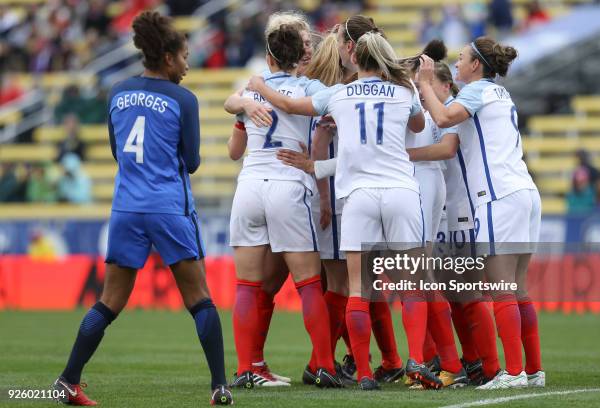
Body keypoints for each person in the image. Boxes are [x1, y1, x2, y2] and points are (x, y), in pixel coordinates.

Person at [52, 11, 233, 406]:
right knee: (200, 298)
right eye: (184, 56)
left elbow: (119, 152)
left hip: (126, 208)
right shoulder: (183, 98)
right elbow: (193, 160)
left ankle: (68, 379)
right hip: (167, 207)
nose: (187, 65)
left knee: (109, 301)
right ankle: (220, 386)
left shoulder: (117, 91)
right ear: (168, 57)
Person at [248, 30, 445, 391]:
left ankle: (366, 375)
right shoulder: (403, 92)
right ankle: (415, 359)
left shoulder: (338, 94)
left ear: (354, 58)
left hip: (358, 197)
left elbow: (290, 106)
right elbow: (417, 126)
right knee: (411, 286)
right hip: (401, 191)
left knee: (357, 289)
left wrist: (259, 85)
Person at [417, 36, 544, 389]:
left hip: (498, 196)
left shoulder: (476, 91)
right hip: (524, 191)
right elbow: (452, 123)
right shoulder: (498, 93)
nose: (456, 66)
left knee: (501, 289)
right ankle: (533, 370)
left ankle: (514, 372)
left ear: (476, 65)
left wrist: (425, 83)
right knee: (518, 289)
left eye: (461, 59)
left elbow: (442, 118)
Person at [227, 23, 342, 389]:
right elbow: (336, 108)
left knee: (247, 285)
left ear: (269, 56)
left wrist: (248, 99)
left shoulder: (252, 86)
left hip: (248, 186)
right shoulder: (311, 88)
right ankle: (324, 364)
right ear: (298, 57)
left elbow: (233, 147)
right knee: (308, 283)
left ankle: (248, 367)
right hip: (288, 184)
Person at [406, 52, 500, 387]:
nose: (423, 92)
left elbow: (446, 150)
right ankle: (472, 362)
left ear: (446, 85)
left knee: (469, 294)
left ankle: (490, 367)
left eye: (429, 85)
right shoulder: (434, 112)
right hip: (445, 213)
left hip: (461, 211)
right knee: (450, 294)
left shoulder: (457, 110)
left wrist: (401, 155)